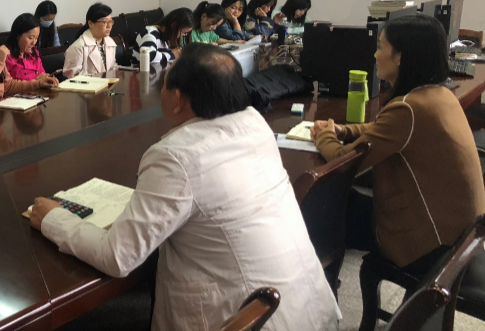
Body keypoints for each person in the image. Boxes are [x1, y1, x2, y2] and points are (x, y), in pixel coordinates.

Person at [31, 44, 340, 331]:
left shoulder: (175, 156)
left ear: (177, 99)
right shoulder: (255, 124)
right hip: (307, 311)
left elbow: (118, 256)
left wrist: (53, 219)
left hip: (246, 320)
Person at [312, 15, 485, 271]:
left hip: (430, 244)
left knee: (323, 205)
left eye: (380, 47)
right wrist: (343, 130)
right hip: (461, 235)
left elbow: (344, 162)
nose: (375, 55)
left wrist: (324, 135)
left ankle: (323, 284)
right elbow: (383, 128)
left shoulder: (408, 108)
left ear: (400, 57)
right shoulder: (438, 94)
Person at [63, 3, 118, 78]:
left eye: (110, 21)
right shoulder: (77, 47)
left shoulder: (109, 42)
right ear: (91, 23)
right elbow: (72, 78)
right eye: (104, 22)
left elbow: (112, 67)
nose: (109, 26)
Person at [5, 13, 57, 81]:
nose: (33, 42)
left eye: (36, 38)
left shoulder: (34, 52)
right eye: (30, 38)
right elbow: (7, 85)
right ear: (18, 35)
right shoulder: (7, 57)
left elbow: (42, 73)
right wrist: (35, 82)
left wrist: (47, 78)